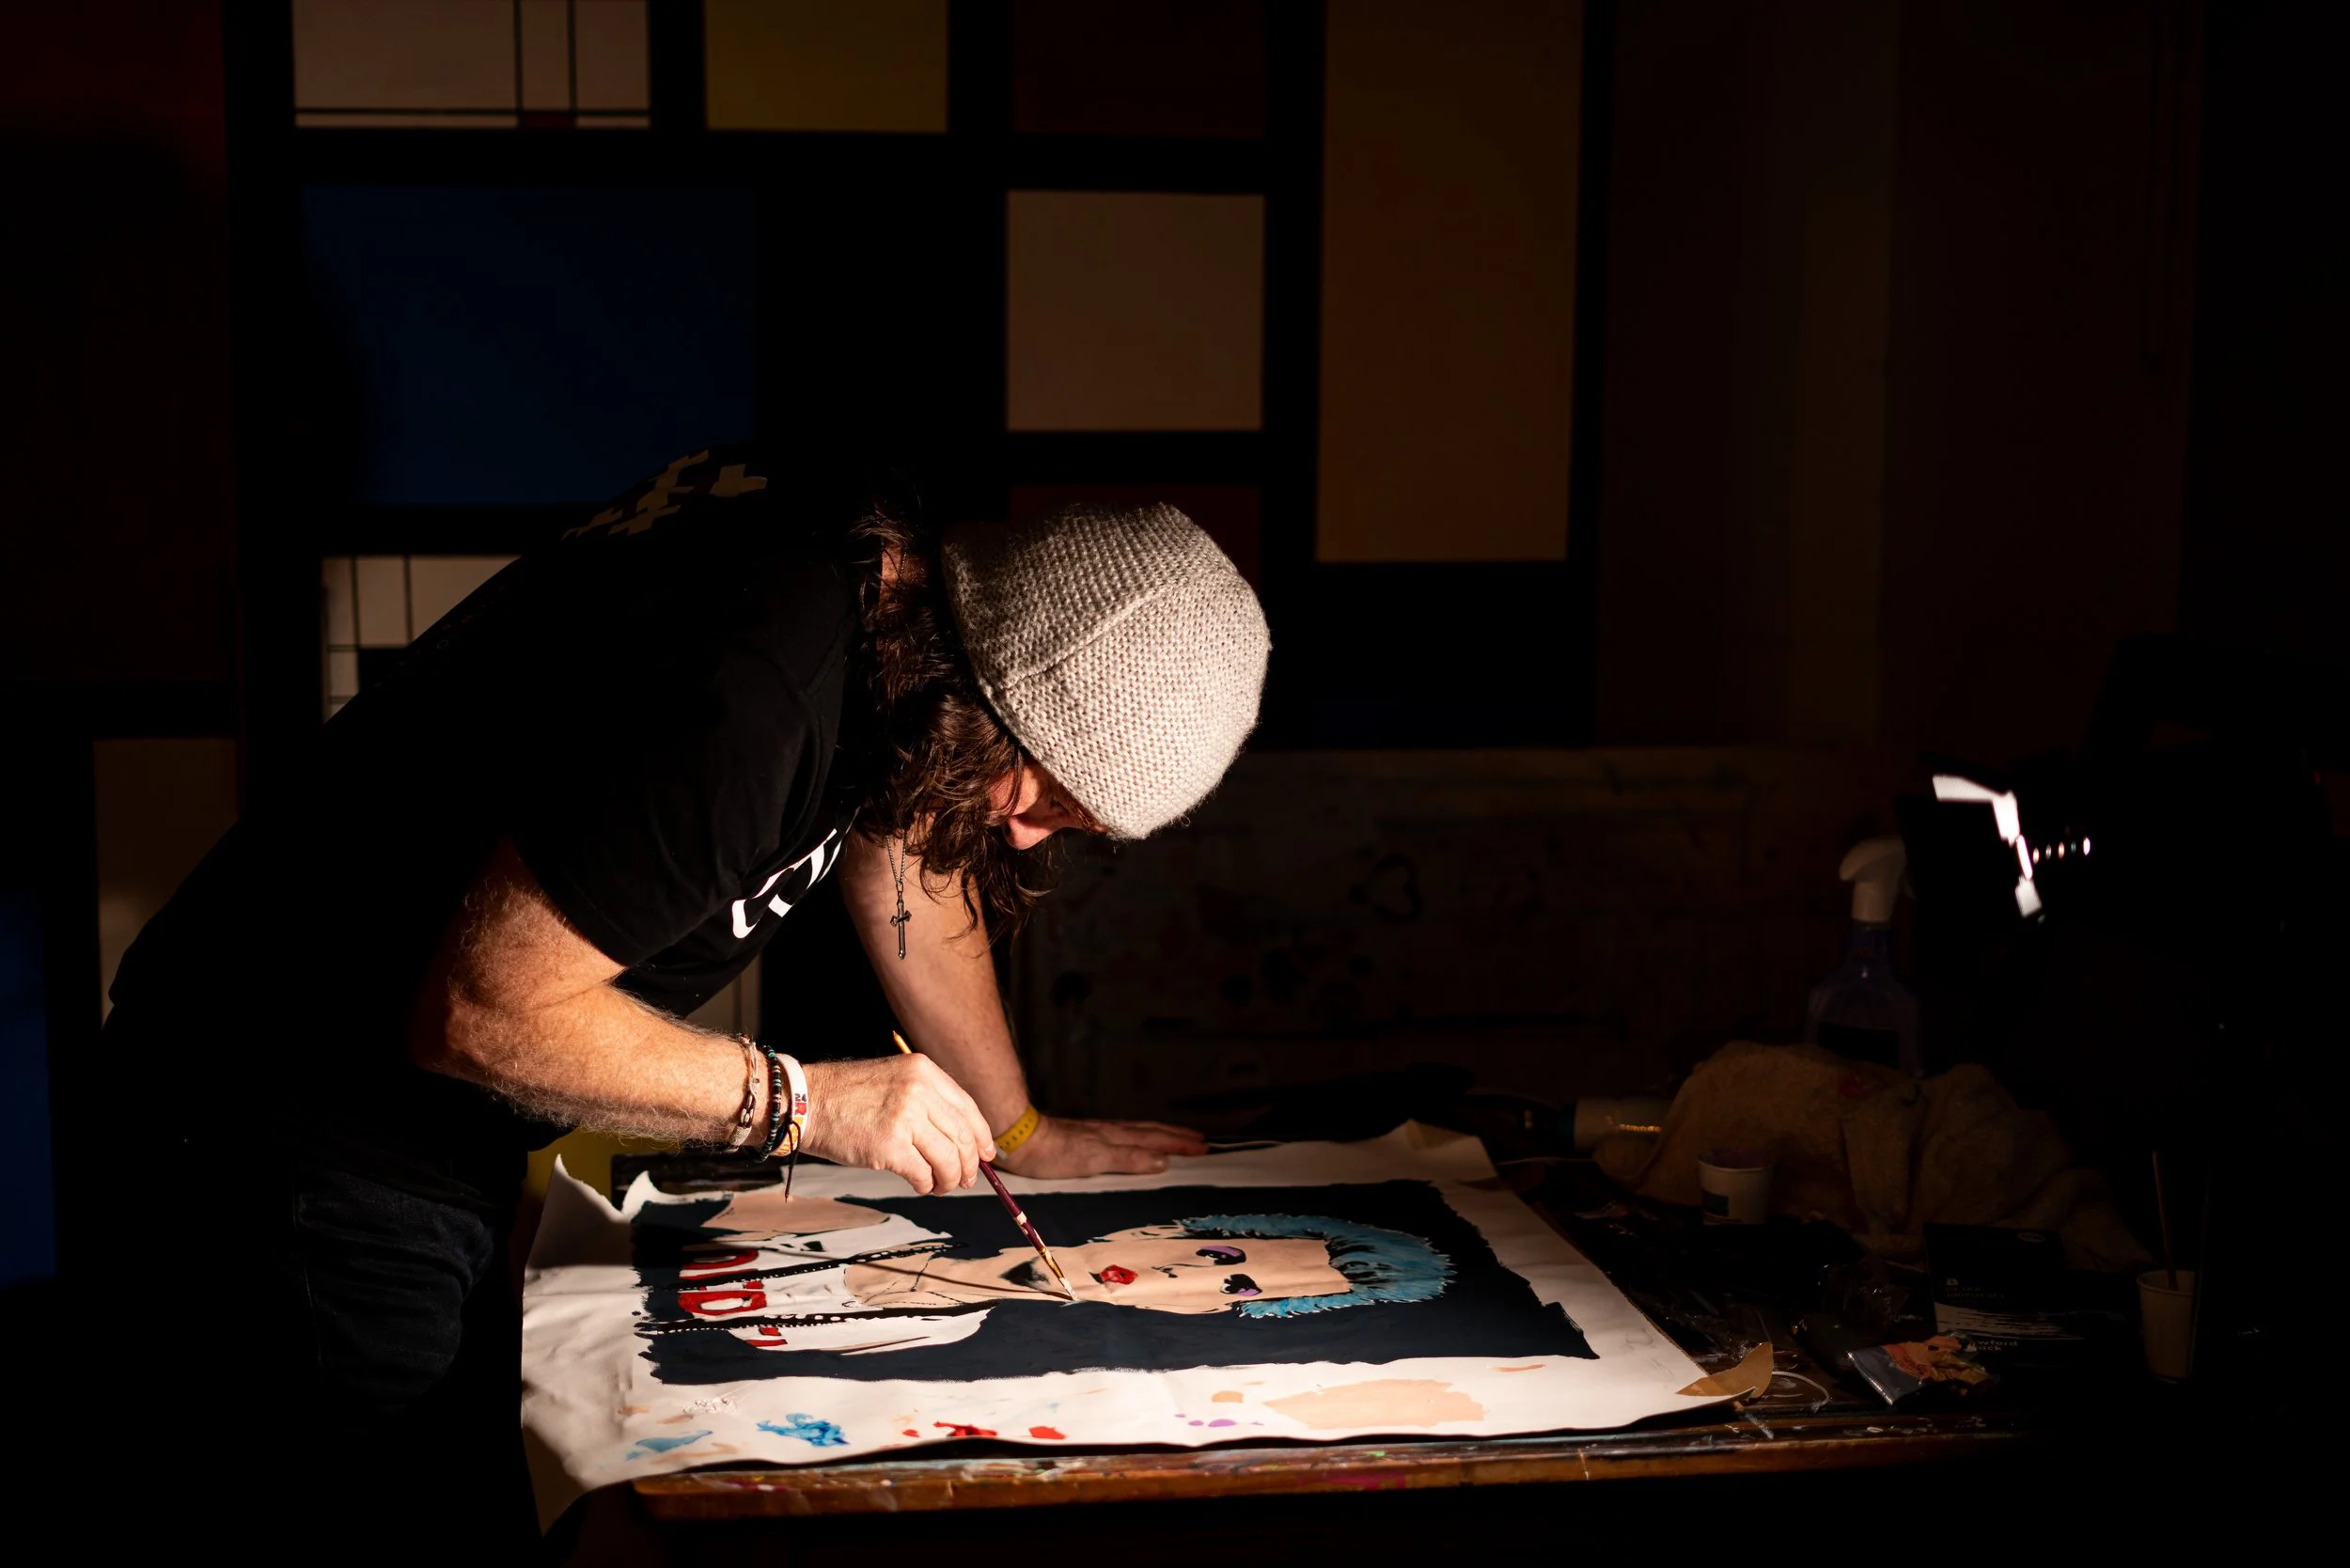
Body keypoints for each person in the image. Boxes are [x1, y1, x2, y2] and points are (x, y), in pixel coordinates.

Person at [111, 444, 1271, 1540]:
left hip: (409, 1119)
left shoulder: (900, 614)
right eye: (1040, 797)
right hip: (281, 1108)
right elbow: (484, 1011)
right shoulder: (756, 690)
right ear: (1000, 684)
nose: (1019, 841)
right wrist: (809, 1104)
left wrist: (1016, 1125)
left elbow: (905, 835)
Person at [624, 1187, 1454, 1362]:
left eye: (1234, 1290)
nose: (1167, 1269)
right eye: (1222, 1255)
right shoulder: (865, 1218)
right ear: (1150, 1224)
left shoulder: (927, 1339)